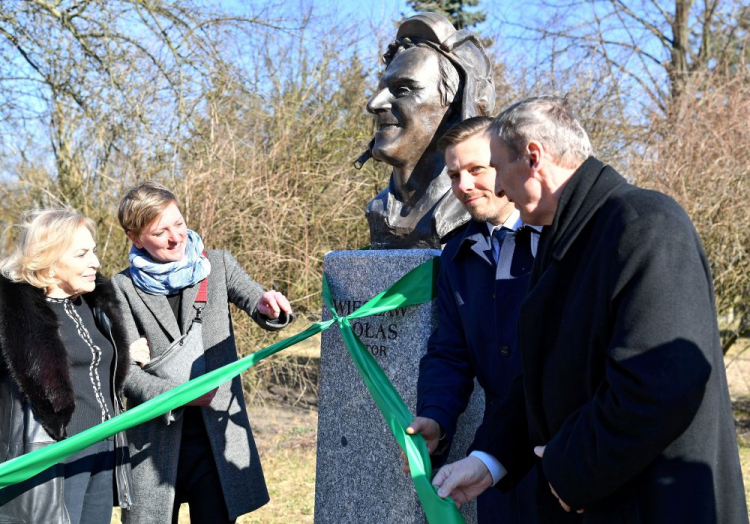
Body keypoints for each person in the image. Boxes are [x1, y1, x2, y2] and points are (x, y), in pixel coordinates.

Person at [431, 96, 748, 522]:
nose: (500, 189)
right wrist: (488, 460)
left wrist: (568, 470)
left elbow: (658, 386)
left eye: (498, 171)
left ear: (533, 158)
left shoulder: (646, 225)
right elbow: (540, 378)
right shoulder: (567, 237)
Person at [112, 182, 294, 524]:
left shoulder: (218, 264)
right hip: (153, 446)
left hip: (217, 442)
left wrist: (270, 307)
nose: (176, 237)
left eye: (179, 224)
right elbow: (123, 373)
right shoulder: (121, 288)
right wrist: (180, 396)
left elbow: (257, 300)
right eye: (160, 231)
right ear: (135, 238)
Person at [406, 116, 538, 523]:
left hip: (559, 454)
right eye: (454, 174)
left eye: (477, 170)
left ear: (509, 163)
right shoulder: (457, 255)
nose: (463, 186)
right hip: (494, 464)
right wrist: (436, 417)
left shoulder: (557, 242)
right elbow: (450, 352)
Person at [0, 209, 134, 524]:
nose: (96, 262)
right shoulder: (11, 316)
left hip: (103, 448)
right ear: (50, 259)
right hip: (51, 458)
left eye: (94, 251)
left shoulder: (93, 302)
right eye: (82, 254)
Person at [359, 12, 495, 249]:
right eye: (382, 89)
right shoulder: (377, 209)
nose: (374, 104)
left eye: (402, 89)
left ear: (454, 107)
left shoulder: (476, 208)